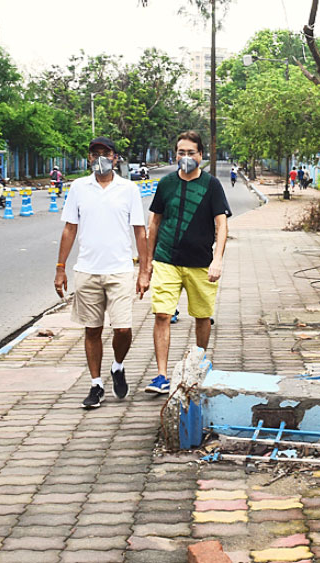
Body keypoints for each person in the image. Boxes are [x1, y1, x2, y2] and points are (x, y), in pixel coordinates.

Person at [55, 136, 149, 409]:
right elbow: (70, 228)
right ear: (89, 159)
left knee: (123, 329)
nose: (100, 158)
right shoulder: (78, 188)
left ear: (115, 157)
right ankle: (96, 385)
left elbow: (139, 231)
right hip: (87, 270)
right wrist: (60, 268)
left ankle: (117, 366)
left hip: (119, 270)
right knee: (92, 330)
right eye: (94, 154)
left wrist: (144, 270)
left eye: (105, 153)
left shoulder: (129, 189)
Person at [141, 131, 231, 394]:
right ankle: (160, 375)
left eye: (191, 153)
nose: (186, 157)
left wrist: (218, 260)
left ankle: (198, 365)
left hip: (200, 263)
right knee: (162, 314)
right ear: (176, 154)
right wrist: (146, 264)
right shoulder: (166, 183)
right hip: (167, 259)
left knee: (202, 316)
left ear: (201, 156)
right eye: (181, 152)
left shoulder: (211, 185)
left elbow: (221, 224)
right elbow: (154, 222)